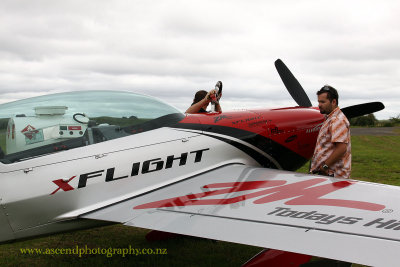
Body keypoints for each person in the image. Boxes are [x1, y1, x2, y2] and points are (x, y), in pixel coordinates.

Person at [310, 85, 351, 179]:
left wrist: (324, 166)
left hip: (332, 175)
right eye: (318, 101)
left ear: (333, 102)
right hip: (327, 174)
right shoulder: (329, 118)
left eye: (322, 102)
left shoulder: (337, 120)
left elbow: (341, 148)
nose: (319, 105)